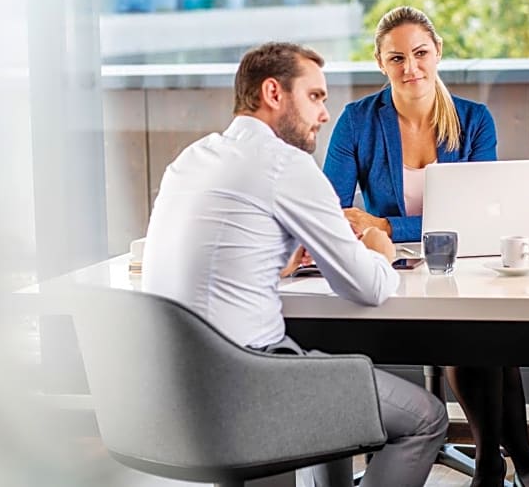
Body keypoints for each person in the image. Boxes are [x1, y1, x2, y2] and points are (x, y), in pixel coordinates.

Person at [141, 42, 448, 487]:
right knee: (426, 418)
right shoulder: (285, 163)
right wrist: (379, 249)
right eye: (315, 97)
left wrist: (275, 261)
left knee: (326, 373)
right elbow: (369, 288)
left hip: (169, 389)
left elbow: (218, 250)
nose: (324, 114)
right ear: (273, 92)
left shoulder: (191, 159)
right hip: (249, 383)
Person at [323, 6, 529, 487]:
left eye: (420, 53)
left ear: (438, 52)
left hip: (466, 265)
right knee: (476, 335)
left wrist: (386, 224)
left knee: (482, 327)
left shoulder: (473, 121)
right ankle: (514, 463)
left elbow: (473, 222)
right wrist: (391, 233)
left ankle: (500, 464)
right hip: (395, 273)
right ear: (380, 63)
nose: (411, 68)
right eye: (396, 58)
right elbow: (334, 213)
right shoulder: (357, 121)